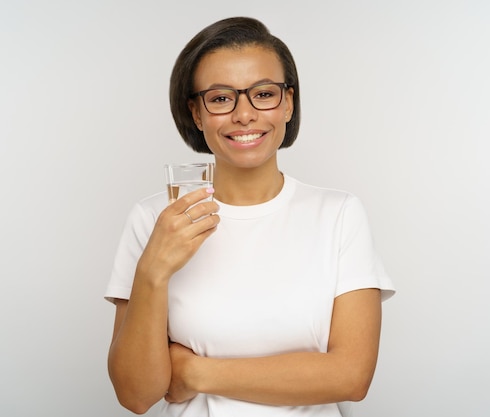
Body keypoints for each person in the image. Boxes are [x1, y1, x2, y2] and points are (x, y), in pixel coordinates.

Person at [105, 16, 395, 417]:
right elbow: (135, 395)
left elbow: (351, 377)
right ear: (196, 112)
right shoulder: (153, 218)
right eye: (221, 98)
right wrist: (153, 270)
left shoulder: (339, 214)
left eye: (263, 93)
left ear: (288, 103)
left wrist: (197, 372)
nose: (244, 115)